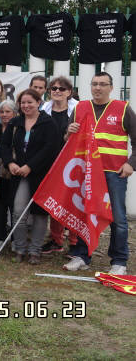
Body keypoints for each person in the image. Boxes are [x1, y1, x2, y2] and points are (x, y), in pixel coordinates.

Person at [64, 72, 136, 275]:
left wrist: (131, 164)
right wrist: (68, 131)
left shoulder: (123, 109)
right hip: (86, 173)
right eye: (94, 84)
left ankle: (119, 261)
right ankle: (81, 255)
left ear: (111, 87)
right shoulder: (79, 107)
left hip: (114, 172)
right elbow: (68, 141)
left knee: (118, 218)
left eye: (103, 84)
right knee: (84, 213)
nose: (98, 88)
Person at [0, 89, 60, 265]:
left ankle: (35, 250)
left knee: (40, 214)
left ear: (39, 103)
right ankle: (19, 248)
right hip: (19, 175)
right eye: (23, 103)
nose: (26, 106)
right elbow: (4, 145)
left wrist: (31, 166)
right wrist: (10, 162)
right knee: (18, 211)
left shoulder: (48, 123)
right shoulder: (15, 122)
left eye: (30, 102)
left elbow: (50, 149)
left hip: (41, 175)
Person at [40, 76, 78, 255]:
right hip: (49, 161)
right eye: (53, 88)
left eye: (61, 89)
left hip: (71, 163)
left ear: (69, 92)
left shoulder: (77, 110)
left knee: (71, 203)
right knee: (54, 201)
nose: (57, 91)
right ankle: (56, 240)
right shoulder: (44, 109)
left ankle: (75, 242)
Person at [0, 100, 18, 249]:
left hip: (15, 174)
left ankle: (15, 239)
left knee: (15, 208)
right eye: (2, 112)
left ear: (14, 113)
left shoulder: (19, 129)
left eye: (8, 111)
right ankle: (0, 237)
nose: (4, 115)